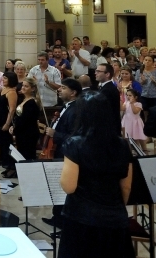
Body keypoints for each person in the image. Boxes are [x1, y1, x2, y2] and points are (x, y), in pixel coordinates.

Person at [58, 91, 134, 258]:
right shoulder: (122, 145)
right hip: (115, 218)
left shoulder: (75, 144)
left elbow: (69, 187)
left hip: (81, 218)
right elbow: (126, 187)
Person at [42, 78, 81, 229]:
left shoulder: (75, 110)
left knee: (63, 188)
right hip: (60, 151)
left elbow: (74, 137)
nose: (59, 89)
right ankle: (57, 217)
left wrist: (55, 134)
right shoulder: (66, 106)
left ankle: (63, 220)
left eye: (63, 88)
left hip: (66, 154)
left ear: (73, 93)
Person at [10, 77, 43, 163]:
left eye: (26, 86)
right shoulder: (24, 99)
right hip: (22, 132)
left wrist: (15, 129)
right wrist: (13, 127)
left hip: (28, 133)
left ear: (33, 89)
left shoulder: (32, 103)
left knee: (27, 155)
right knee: (22, 154)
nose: (23, 88)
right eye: (23, 85)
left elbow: (26, 120)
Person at [0, 72, 19, 176]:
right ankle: (7, 165)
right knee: (3, 144)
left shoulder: (12, 92)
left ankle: (12, 167)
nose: (3, 80)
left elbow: (12, 109)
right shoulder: (4, 89)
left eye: (5, 78)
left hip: (7, 120)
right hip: (1, 119)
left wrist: (7, 123)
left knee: (8, 144)